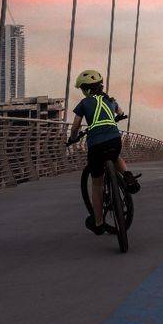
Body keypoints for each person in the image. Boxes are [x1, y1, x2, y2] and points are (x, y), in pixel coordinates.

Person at [65, 68, 131, 235]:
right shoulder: (111, 100)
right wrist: (118, 117)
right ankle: (129, 177)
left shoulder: (83, 103)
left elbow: (75, 127)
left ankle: (99, 222)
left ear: (86, 90)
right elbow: (121, 113)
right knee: (115, 156)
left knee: (97, 184)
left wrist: (73, 138)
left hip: (95, 144)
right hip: (114, 139)